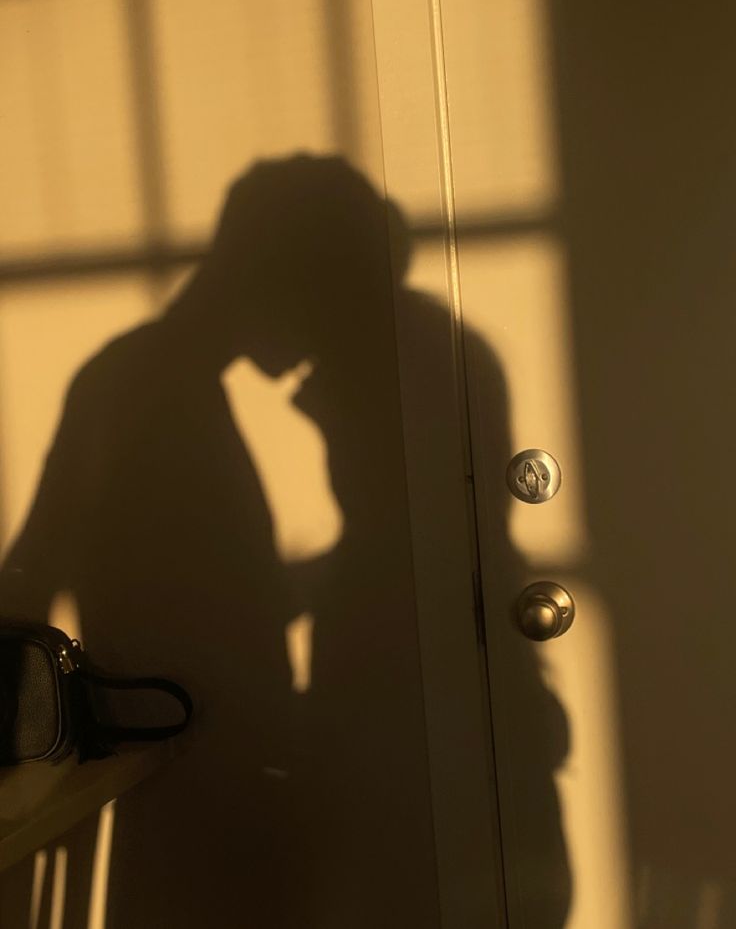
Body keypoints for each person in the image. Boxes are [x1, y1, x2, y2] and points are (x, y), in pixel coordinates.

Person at [0, 155, 569, 927]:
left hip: (223, 783)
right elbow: (50, 575)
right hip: (196, 784)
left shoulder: (154, 383)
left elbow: (186, 593)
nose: (312, 352)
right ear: (278, 276)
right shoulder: (144, 389)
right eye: (331, 305)